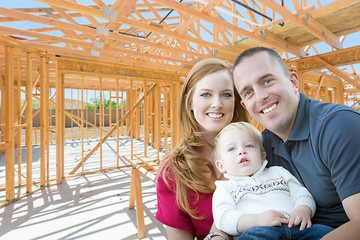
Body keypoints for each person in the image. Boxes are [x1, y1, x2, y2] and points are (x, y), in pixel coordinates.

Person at [232, 46, 360, 239]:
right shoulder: (263, 146)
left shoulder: (338, 126)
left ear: (293, 82)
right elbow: (233, 194)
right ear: (245, 106)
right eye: (248, 92)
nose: (260, 97)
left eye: (267, 81)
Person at [155, 58, 250, 240]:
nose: (217, 103)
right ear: (189, 102)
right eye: (206, 94)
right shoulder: (173, 171)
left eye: (226, 94)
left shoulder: (258, 150)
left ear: (235, 102)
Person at [212, 121, 333, 239]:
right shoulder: (225, 188)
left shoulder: (278, 172)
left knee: (325, 231)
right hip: (258, 231)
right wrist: (257, 220)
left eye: (249, 146)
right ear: (221, 166)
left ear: (262, 156)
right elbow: (223, 217)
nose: (241, 151)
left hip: (296, 226)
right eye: (232, 149)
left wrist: (303, 210)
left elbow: (301, 193)